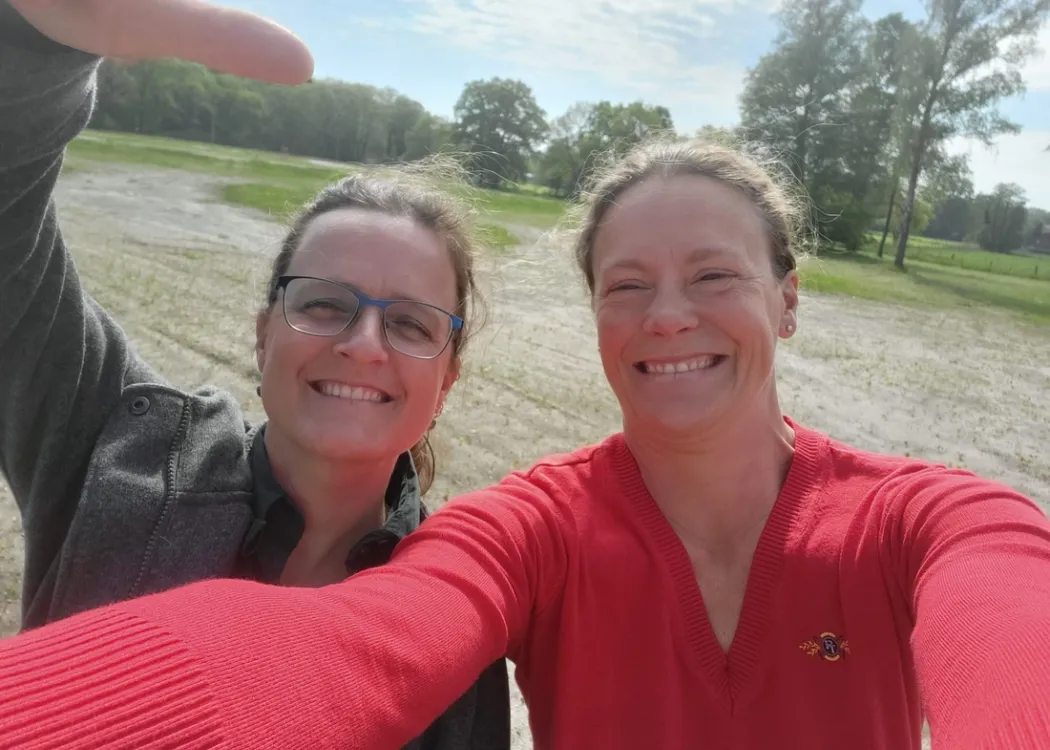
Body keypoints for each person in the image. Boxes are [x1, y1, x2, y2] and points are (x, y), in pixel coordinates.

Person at [4, 6, 1050, 750]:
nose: (669, 315)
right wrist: (34, 49)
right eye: (627, 284)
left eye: (714, 275)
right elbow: (352, 645)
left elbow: (1010, 613)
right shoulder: (516, 537)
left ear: (787, 299)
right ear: (264, 322)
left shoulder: (922, 519)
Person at [0, 0, 510, 747]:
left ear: (448, 379)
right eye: (324, 304)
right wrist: (37, 45)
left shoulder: (454, 620)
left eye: (410, 324)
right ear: (265, 332)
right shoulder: (119, 442)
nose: (364, 344)